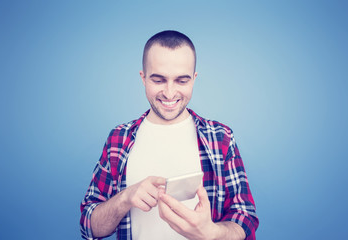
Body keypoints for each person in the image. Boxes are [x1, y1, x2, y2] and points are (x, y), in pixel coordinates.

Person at [80, 30, 259, 240]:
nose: (170, 92)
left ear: (194, 79)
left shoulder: (221, 138)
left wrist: (212, 233)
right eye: (158, 80)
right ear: (143, 78)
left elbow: (245, 218)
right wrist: (124, 198)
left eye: (182, 81)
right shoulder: (118, 139)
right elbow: (88, 226)